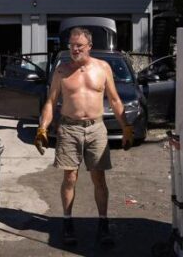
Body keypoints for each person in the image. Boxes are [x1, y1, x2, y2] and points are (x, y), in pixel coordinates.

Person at [34, 27, 133, 246]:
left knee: (99, 178)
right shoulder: (61, 70)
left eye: (79, 45)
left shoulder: (103, 68)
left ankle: (103, 223)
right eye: (71, 45)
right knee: (69, 177)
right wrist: (43, 128)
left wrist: (125, 127)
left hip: (96, 128)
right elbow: (51, 102)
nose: (74, 49)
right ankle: (67, 222)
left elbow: (115, 101)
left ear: (89, 46)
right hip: (69, 128)